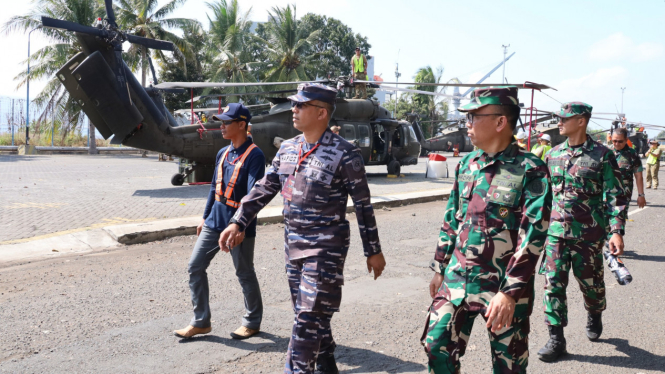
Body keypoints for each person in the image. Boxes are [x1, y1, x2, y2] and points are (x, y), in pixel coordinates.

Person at [220, 83, 386, 374]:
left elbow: (363, 206)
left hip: (326, 250)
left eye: (300, 105)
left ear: (321, 113)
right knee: (310, 315)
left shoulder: (346, 154)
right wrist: (238, 220)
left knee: (307, 320)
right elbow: (263, 188)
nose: (293, 110)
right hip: (293, 247)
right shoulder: (287, 148)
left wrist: (373, 251)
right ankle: (325, 364)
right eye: (294, 104)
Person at [422, 86, 552, 374]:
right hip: (457, 280)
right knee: (436, 348)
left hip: (502, 287)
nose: (467, 124)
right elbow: (452, 218)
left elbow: (533, 236)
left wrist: (510, 291)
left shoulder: (531, 169)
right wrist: (440, 267)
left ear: (499, 122)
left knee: (509, 365)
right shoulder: (468, 164)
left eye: (473, 117)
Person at [537, 102, 627, 362]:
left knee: (592, 286)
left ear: (582, 121)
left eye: (565, 118)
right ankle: (556, 339)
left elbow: (615, 196)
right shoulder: (552, 154)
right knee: (553, 284)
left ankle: (595, 312)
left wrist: (616, 231)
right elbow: (543, 196)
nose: (559, 123)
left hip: (588, 236)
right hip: (555, 234)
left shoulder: (602, 155)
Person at [173, 103, 266, 340]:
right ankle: (201, 321)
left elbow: (254, 193)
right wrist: (205, 217)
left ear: (242, 125)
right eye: (221, 121)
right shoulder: (222, 153)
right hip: (215, 221)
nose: (221, 126)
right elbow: (215, 188)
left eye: (226, 122)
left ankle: (252, 321)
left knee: (244, 272)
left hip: (238, 225)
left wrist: (241, 225)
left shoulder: (255, 155)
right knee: (195, 266)